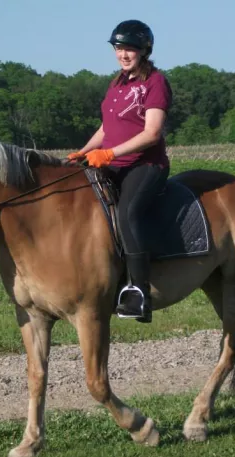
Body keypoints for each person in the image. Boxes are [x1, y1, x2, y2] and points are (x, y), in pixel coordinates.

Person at [68, 19, 173, 323]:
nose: (123, 54)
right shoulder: (117, 83)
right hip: (110, 163)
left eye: (130, 48)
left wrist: (110, 153)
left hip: (145, 165)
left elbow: (152, 133)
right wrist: (84, 151)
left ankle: (139, 294)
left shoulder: (155, 82)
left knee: (127, 214)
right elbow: (107, 128)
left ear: (144, 50)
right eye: (119, 47)